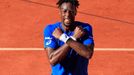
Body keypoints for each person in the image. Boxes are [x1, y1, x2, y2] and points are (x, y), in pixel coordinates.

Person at [44, 0, 94, 75]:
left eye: (71, 11)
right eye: (64, 11)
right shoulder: (51, 30)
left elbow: (88, 53)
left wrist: (63, 38)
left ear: (75, 12)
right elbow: (52, 60)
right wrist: (73, 37)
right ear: (59, 12)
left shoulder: (85, 28)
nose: (67, 14)